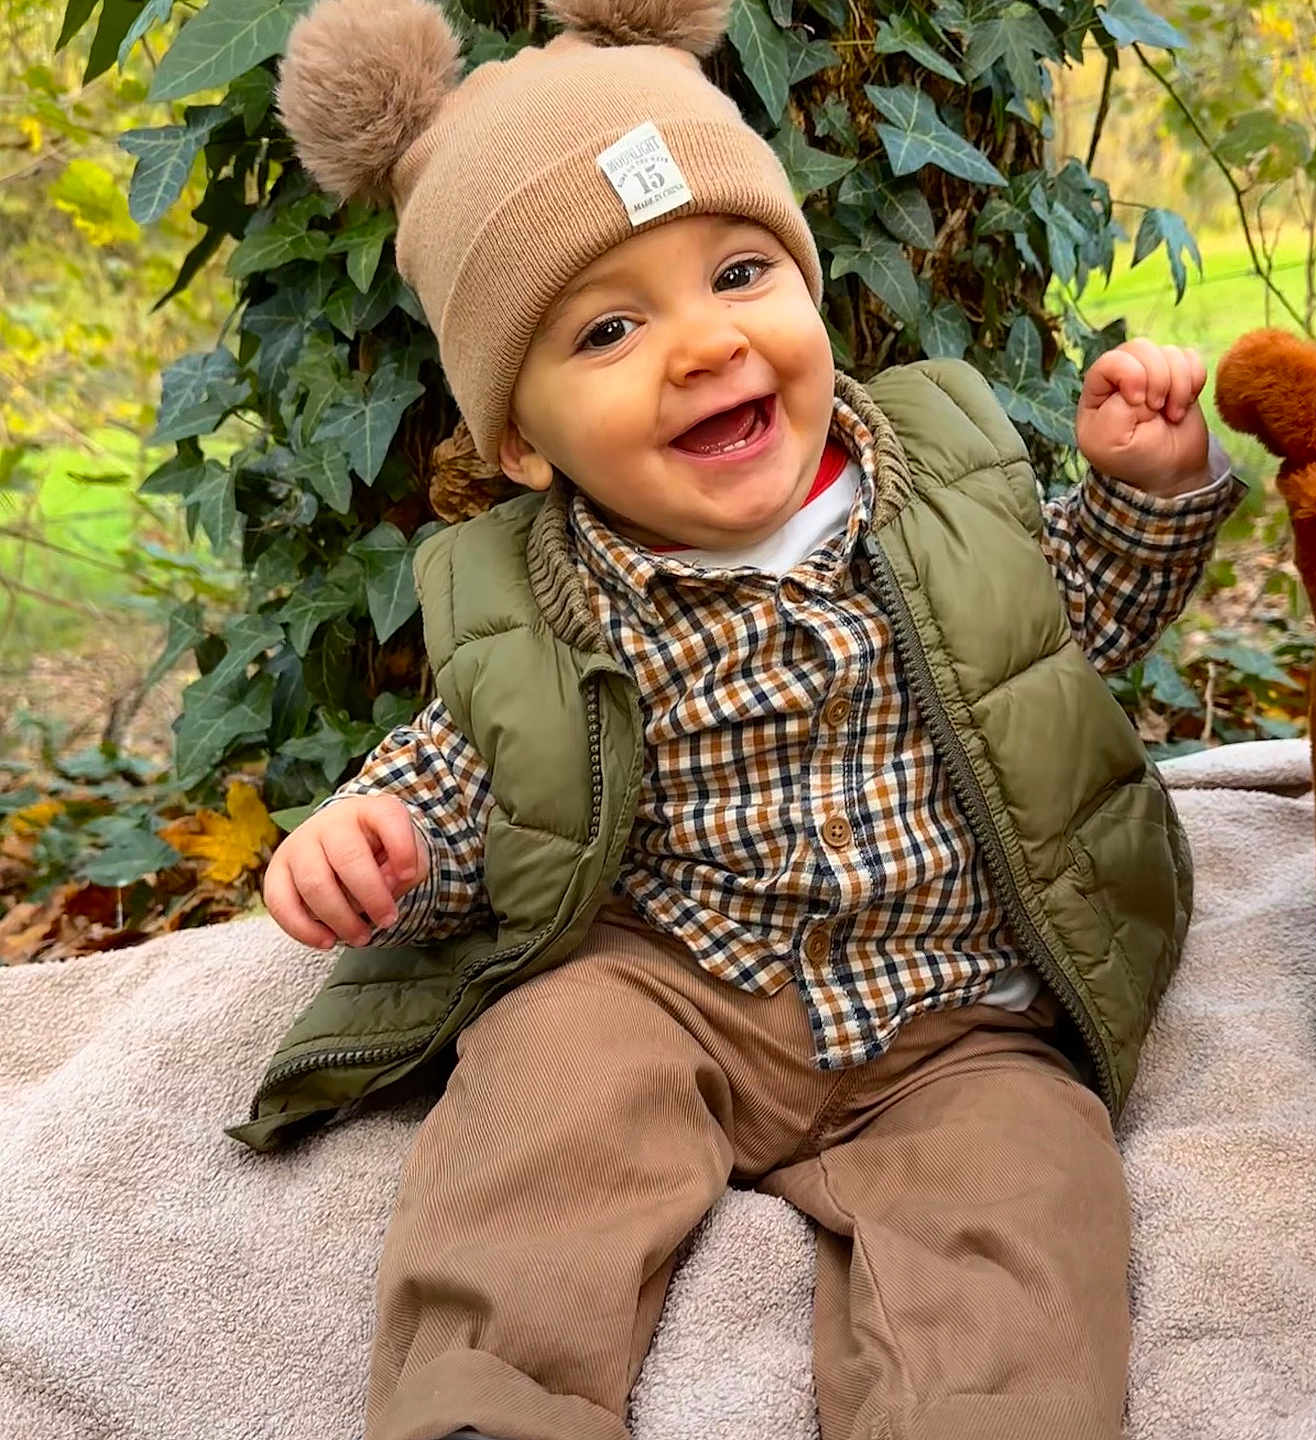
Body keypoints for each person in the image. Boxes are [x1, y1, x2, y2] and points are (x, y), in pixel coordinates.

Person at [254, 0, 1245, 1436]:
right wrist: (381, 840)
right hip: (675, 987)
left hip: (953, 1013)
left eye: (738, 271)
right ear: (520, 437)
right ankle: (487, 1403)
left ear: (808, 287)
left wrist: (1143, 492)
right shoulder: (546, 600)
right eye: (607, 327)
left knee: (1026, 1206)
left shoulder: (945, 497)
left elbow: (1071, 631)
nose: (706, 344)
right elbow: (475, 778)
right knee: (540, 1091)